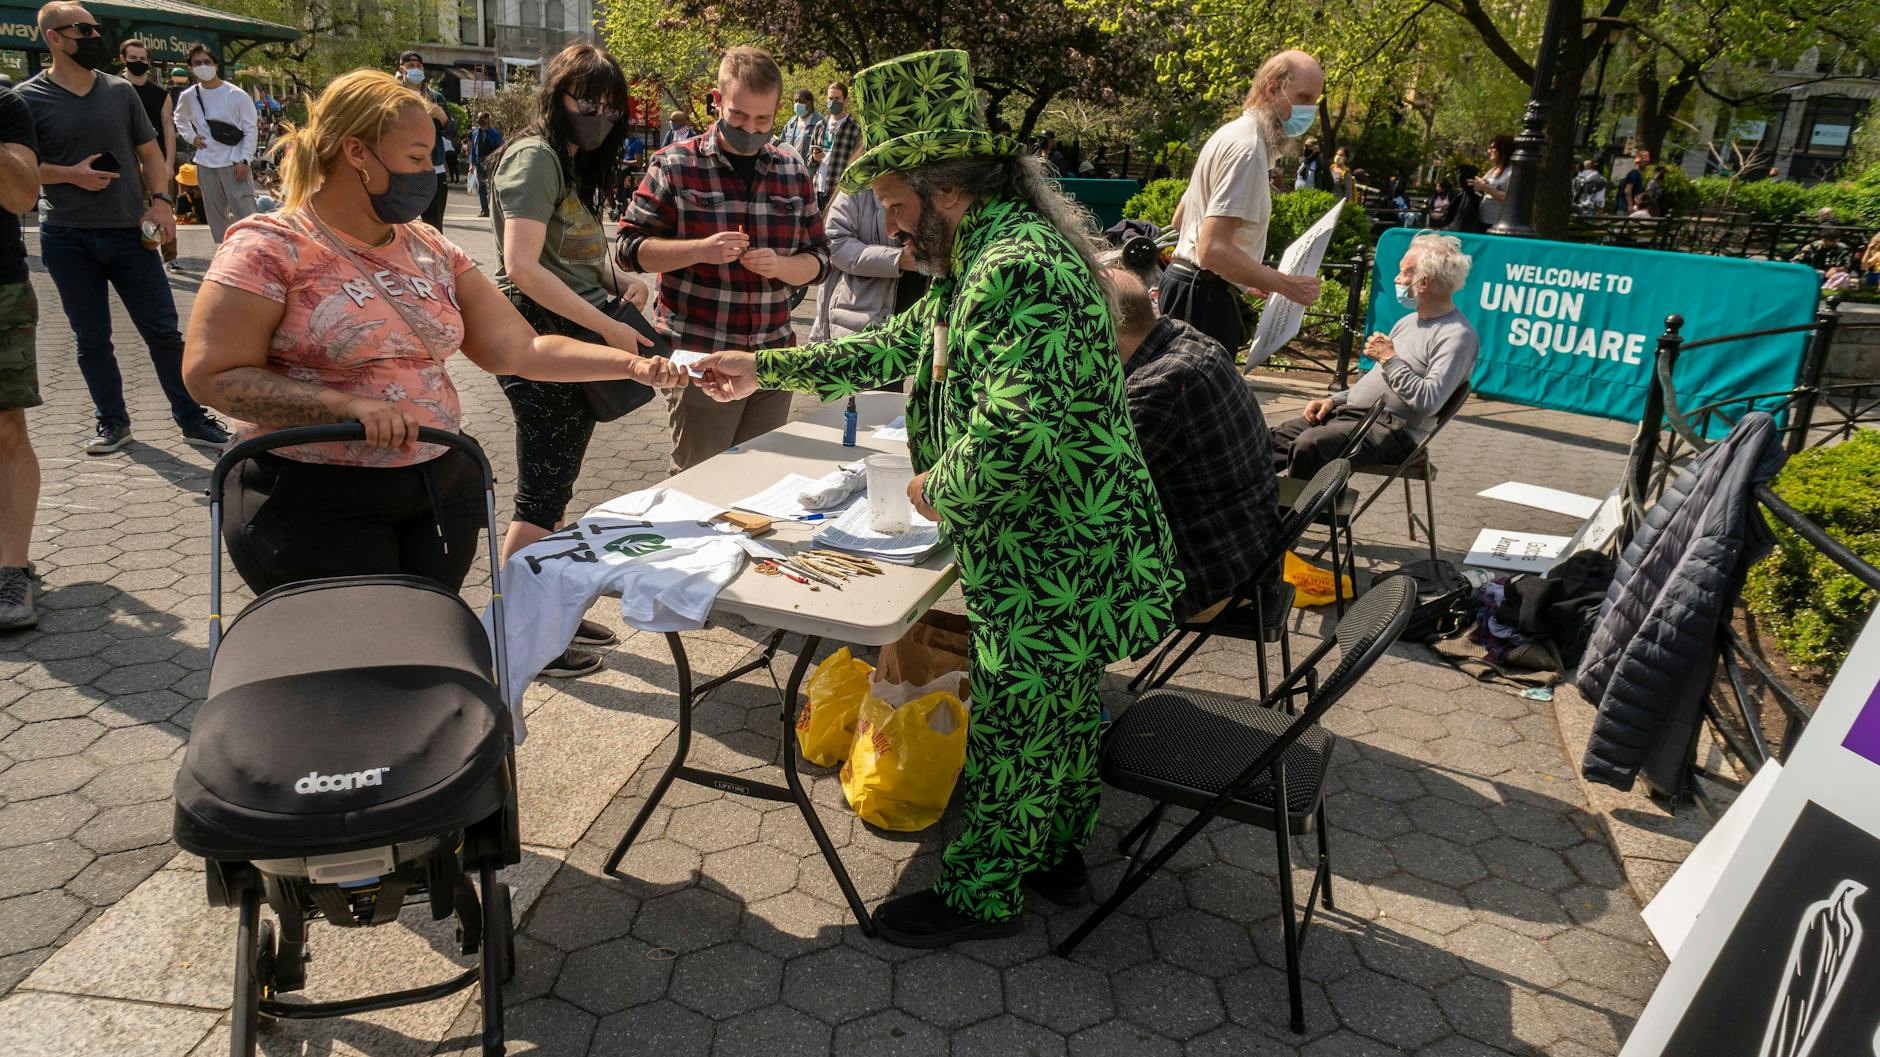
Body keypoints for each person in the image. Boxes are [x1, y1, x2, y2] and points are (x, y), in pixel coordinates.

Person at [695, 49, 1179, 947]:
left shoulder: (1015, 266)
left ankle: (985, 895)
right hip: (1055, 544)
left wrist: (932, 486)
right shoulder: (984, 259)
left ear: (944, 188)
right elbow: (887, 350)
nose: (894, 226)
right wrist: (761, 365)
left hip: (1056, 554)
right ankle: (1055, 848)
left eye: (900, 204)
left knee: (1020, 716)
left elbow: (1018, 431)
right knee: (1057, 709)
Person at [181, 69, 686, 595]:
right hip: (312, 494)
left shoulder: (431, 247)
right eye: (416, 158)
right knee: (370, 654)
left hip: (435, 485)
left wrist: (630, 364)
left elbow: (521, 347)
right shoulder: (266, 247)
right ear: (356, 152)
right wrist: (344, 408)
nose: (429, 173)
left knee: (427, 636)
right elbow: (212, 375)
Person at [490, 43, 662, 677]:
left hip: (571, 329)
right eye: (585, 99)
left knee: (555, 485)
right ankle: (522, 632)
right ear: (556, 93)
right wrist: (604, 330)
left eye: (610, 106)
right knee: (542, 491)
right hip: (541, 335)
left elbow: (575, 255)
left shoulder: (564, 159)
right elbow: (522, 267)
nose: (599, 114)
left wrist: (621, 284)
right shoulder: (535, 156)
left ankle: (548, 607)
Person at [19, 1, 229, 455]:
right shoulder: (26, 99)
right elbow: (21, 169)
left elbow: (152, 156)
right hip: (67, 236)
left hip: (128, 231)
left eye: (96, 29)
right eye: (84, 31)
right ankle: (111, 422)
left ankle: (192, 418)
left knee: (163, 332)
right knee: (91, 337)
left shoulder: (119, 92)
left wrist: (161, 203)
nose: (96, 38)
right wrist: (69, 174)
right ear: (54, 37)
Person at [617, 46, 829, 473]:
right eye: (738, 117)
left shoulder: (792, 169)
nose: (751, 129)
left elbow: (820, 259)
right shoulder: (675, 164)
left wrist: (783, 267)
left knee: (759, 481)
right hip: (700, 357)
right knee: (700, 480)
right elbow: (627, 249)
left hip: (773, 357)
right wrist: (699, 249)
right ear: (717, 100)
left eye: (763, 120)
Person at [1109, 268, 1280, 623]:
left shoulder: (1158, 388)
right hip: (1251, 549)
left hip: (1213, 578)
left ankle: (1034, 673)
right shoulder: (1186, 339)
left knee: (1044, 569)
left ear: (1104, 324)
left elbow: (1094, 492)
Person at [1159, 50, 1326, 361]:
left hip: (1192, 288)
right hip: (1203, 296)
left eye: (1314, 100)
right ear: (1273, 89)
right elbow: (1212, 250)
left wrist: (1249, 278)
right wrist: (1285, 284)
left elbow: (1182, 220)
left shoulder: (1231, 135)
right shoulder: (1248, 150)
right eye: (1303, 97)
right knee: (1200, 405)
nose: (1309, 110)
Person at [1272, 231, 1477, 479]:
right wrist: (1335, 401)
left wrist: (1389, 359)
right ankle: (1246, 507)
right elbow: (1381, 381)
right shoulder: (1408, 321)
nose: (1397, 279)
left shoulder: (1457, 336)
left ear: (1424, 282)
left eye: (1404, 273)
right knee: (1269, 441)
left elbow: (1429, 402)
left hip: (1392, 429)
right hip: (1351, 415)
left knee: (1311, 444)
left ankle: (1292, 515)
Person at [0, 83, 41, 629]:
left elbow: (22, 196)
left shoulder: (6, 105)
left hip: (0, 284)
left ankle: (12, 569)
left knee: (6, 427)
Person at [809, 186, 927, 344]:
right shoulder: (860, 185)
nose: (892, 229)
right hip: (861, 322)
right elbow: (835, 243)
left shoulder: (939, 180)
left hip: (925, 323)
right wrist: (897, 260)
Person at [172, 43, 257, 243]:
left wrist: (245, 160)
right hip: (206, 162)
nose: (203, 66)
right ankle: (224, 253)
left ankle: (254, 251)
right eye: (197, 63)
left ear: (216, 65)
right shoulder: (189, 96)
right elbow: (179, 118)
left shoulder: (237, 95)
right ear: (191, 67)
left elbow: (251, 129)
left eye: (207, 62)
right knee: (215, 215)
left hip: (234, 160)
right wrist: (191, 136)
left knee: (246, 212)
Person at [118, 38, 180, 271]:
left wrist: (169, 162)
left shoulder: (160, 94)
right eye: (133, 58)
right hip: (124, 161)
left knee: (163, 207)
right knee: (132, 208)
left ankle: (170, 255)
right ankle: (135, 254)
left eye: (142, 59)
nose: (138, 62)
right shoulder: (113, 88)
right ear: (123, 59)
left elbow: (168, 127)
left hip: (156, 159)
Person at [396, 51, 455, 229]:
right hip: (402, 171)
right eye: (410, 66)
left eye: (419, 66)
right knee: (401, 227)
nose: (416, 70)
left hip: (434, 171)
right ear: (402, 69)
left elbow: (451, 132)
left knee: (434, 228)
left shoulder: (436, 98)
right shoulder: (393, 95)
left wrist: (443, 118)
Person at [813, 80, 861, 209]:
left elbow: (858, 164)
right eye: (830, 98)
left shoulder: (855, 129)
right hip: (818, 189)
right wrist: (814, 158)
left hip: (839, 192)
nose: (833, 102)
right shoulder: (820, 126)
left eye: (837, 98)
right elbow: (809, 160)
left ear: (845, 100)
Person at [1471, 134, 1512, 228]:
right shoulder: (1492, 170)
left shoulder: (1512, 172)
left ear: (1503, 149)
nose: (1488, 151)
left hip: (1497, 225)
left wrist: (1486, 187)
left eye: (1492, 148)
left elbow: (1509, 199)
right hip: (1481, 221)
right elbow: (1482, 184)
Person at [467, 110, 502, 216]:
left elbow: (500, 145)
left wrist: (490, 139)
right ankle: (485, 210)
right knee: (481, 187)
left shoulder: (493, 133)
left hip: (490, 162)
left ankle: (495, 210)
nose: (479, 120)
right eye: (478, 118)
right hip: (478, 162)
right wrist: (471, 164)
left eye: (481, 117)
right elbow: (473, 148)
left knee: (492, 186)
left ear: (487, 119)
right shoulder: (475, 132)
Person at [777, 87, 823, 163]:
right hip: (791, 168)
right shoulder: (791, 123)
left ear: (810, 103)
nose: (797, 104)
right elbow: (781, 145)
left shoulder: (820, 122)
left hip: (811, 170)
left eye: (801, 101)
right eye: (796, 101)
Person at [1792, 224, 1857, 276]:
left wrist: (1837, 269)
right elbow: (1795, 261)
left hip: (1832, 276)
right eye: (1829, 240)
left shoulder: (1843, 249)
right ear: (1823, 239)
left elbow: (1848, 266)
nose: (1834, 243)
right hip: (1811, 274)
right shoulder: (1812, 247)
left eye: (1835, 240)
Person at [1617, 148, 1649, 215]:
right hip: (1626, 208)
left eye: (1647, 161)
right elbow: (1627, 190)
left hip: (1634, 209)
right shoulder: (1634, 173)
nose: (1646, 163)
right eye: (1644, 161)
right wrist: (1630, 205)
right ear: (1638, 161)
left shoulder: (1640, 176)